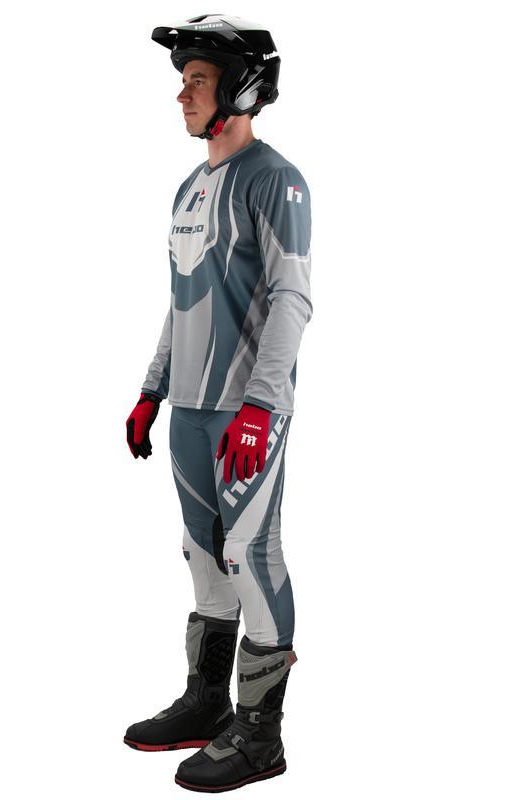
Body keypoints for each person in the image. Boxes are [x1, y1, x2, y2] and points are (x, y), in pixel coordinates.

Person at [123, 14, 313, 793]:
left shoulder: (276, 179)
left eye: (197, 80)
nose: (181, 94)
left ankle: (261, 735)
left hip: (245, 412)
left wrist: (262, 407)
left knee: (251, 554)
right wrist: (151, 388)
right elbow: (181, 299)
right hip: (190, 411)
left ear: (239, 88)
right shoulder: (188, 188)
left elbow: (293, 297)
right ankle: (208, 704)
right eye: (184, 81)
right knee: (202, 552)